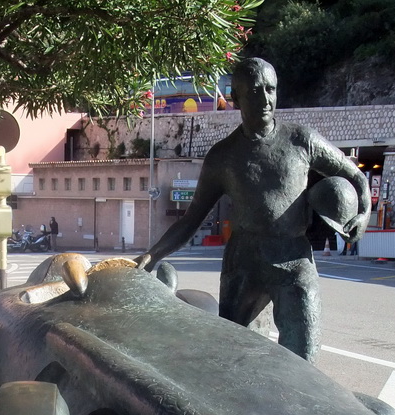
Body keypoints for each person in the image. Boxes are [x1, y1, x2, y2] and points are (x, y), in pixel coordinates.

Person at [137, 58, 370, 364]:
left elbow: (354, 174)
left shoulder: (301, 140)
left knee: (304, 355)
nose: (265, 99)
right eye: (256, 91)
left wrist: (363, 211)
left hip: (293, 258)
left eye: (271, 89)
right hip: (244, 261)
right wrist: (152, 255)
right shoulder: (223, 157)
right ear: (236, 98)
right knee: (236, 355)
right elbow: (193, 217)